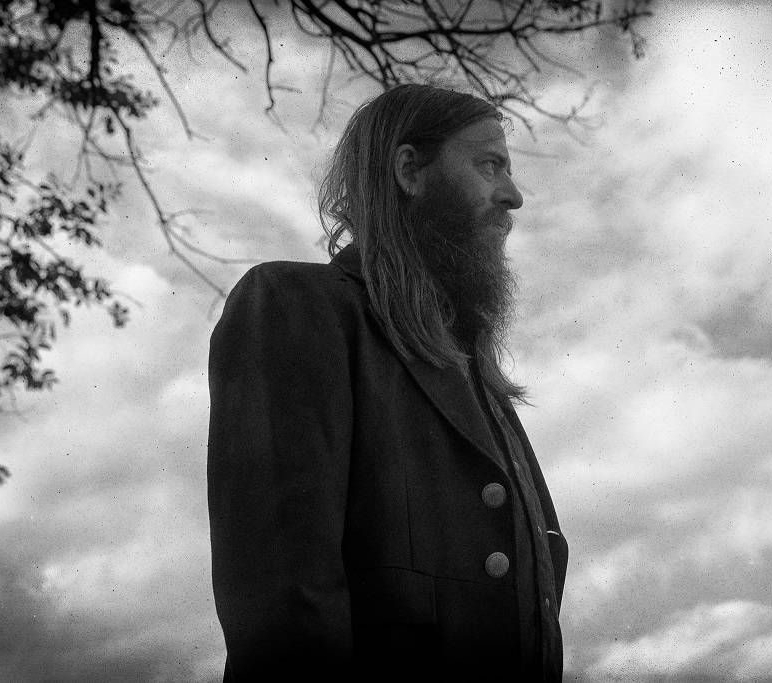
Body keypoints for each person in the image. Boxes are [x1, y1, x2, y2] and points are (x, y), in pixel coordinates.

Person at [207, 84, 567, 682]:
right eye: (490, 165)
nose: (513, 195)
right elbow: (284, 603)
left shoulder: (474, 372)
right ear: (409, 171)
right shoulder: (297, 306)